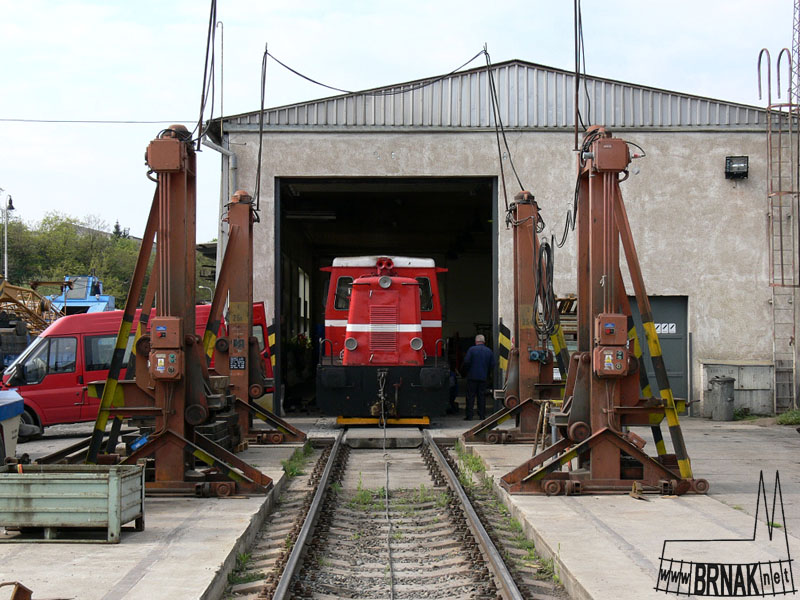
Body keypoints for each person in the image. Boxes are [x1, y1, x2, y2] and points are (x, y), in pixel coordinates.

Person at [462, 334, 495, 420]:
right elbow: (492, 364)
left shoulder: (471, 350)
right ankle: (482, 415)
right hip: (483, 377)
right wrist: (487, 373)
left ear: (476, 341)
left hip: (472, 377)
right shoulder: (489, 351)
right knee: (481, 396)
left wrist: (466, 372)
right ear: (484, 341)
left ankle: (469, 416)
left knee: (470, 396)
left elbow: (466, 362)